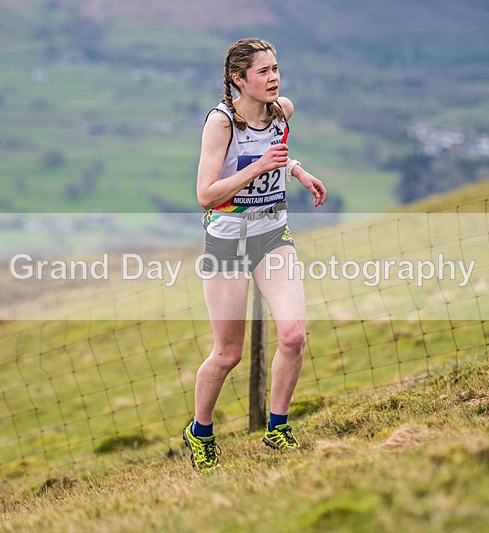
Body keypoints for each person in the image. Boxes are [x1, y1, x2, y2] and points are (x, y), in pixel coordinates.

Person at [183, 38, 327, 471]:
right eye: (263, 71)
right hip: (227, 243)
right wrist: (258, 168)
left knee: (294, 336)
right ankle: (201, 432)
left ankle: (277, 427)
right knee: (229, 354)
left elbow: (276, 151)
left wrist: (297, 170)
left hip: (272, 235)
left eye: (276, 68)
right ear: (238, 79)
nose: (274, 77)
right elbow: (206, 194)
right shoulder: (221, 123)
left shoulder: (282, 111)